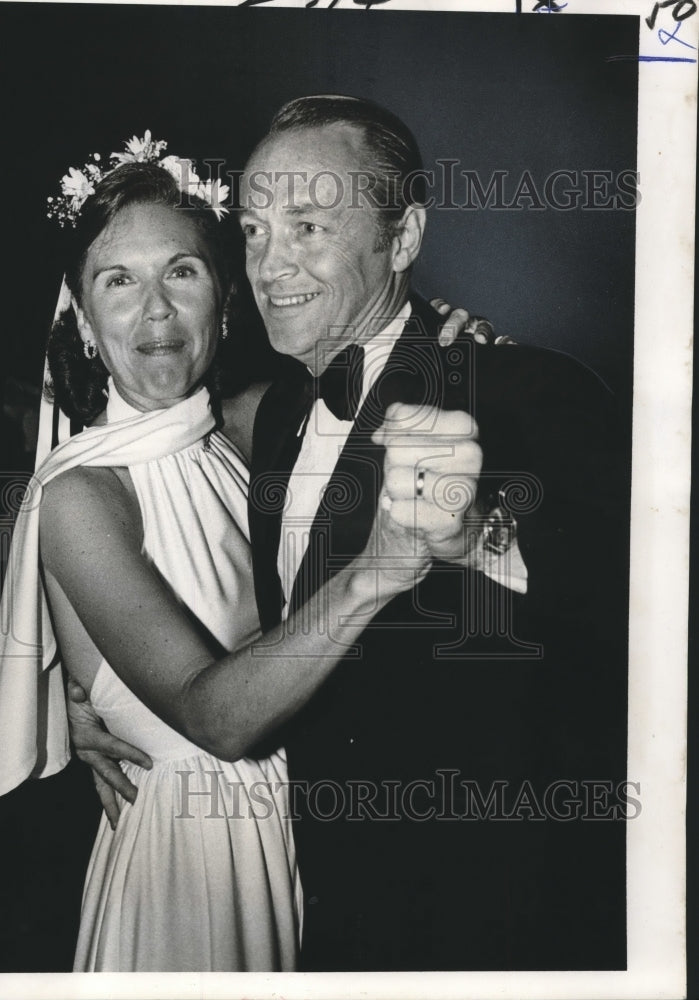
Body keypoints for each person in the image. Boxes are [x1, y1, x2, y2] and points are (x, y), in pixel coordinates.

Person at [78, 97, 629, 972]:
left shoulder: (529, 388)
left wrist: (480, 534)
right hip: (322, 905)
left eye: (307, 225)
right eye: (254, 230)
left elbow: (639, 615)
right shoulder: (278, 411)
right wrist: (82, 695)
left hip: (488, 921)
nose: (269, 264)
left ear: (402, 238)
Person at [0, 137, 484, 972]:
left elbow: (378, 372)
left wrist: (456, 345)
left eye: (182, 272)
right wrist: (378, 571)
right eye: (118, 281)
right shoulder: (76, 497)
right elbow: (215, 718)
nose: (156, 313)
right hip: (191, 862)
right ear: (80, 314)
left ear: (224, 298)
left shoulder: (253, 426)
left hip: (309, 844)